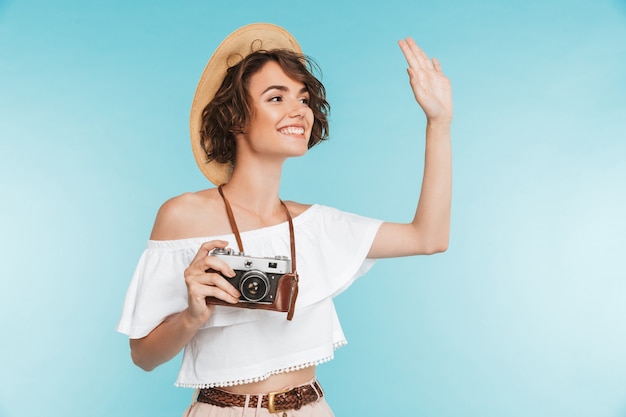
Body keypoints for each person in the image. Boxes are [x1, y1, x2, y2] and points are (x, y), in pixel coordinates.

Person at [117, 23, 452, 417]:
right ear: (236, 117)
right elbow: (143, 355)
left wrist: (438, 122)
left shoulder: (315, 225)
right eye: (276, 97)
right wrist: (192, 316)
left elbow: (429, 237)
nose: (299, 110)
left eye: (304, 98)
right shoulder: (183, 216)